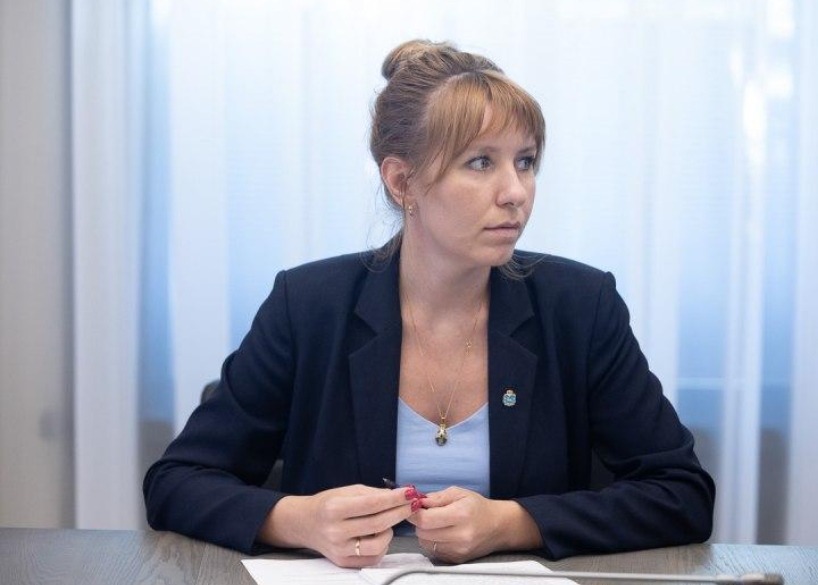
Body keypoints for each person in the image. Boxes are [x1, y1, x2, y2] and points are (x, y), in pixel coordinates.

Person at [143, 39, 715, 568]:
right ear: (402, 182)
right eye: (481, 162)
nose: (515, 192)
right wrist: (299, 519)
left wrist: (512, 523)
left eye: (525, 161)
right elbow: (176, 481)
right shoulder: (309, 306)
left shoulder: (580, 307)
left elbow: (682, 493)